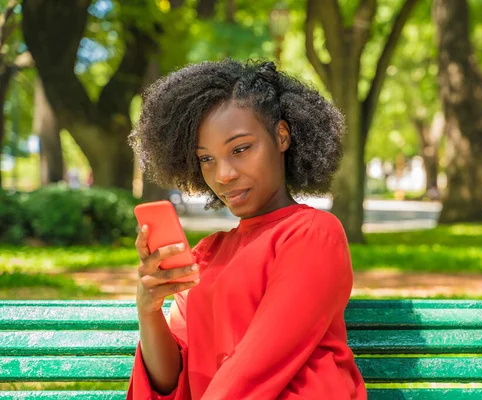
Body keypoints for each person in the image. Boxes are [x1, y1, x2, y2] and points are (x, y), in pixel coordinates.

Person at [127, 59, 367, 399]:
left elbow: (254, 369)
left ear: (281, 136)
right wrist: (149, 311)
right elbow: (170, 383)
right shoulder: (206, 255)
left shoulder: (313, 233)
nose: (223, 175)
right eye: (206, 159)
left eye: (240, 149)